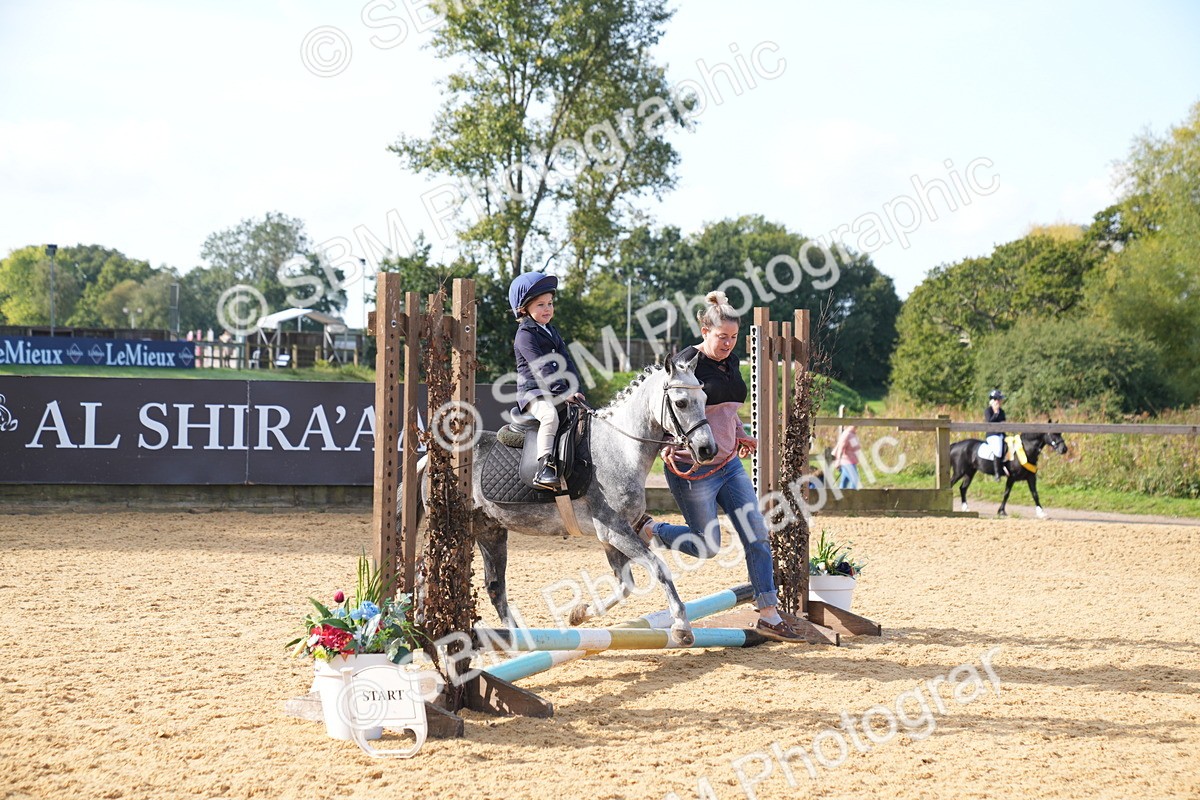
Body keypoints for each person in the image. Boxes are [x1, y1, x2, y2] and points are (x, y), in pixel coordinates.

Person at [636, 291, 806, 643]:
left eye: (733, 337)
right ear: (704, 331)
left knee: (757, 535)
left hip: (729, 466)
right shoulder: (686, 362)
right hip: (693, 470)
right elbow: (664, 405)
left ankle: (769, 614)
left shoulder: (731, 362)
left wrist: (740, 433)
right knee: (707, 546)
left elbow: (727, 408)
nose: (728, 343)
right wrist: (668, 443)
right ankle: (653, 529)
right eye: (721, 337)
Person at [509, 272, 585, 490]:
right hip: (533, 394)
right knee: (550, 416)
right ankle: (544, 467)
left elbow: (567, 362)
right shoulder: (525, 334)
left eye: (550, 303)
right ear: (524, 309)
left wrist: (576, 389)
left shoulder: (552, 331)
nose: (547, 309)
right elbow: (541, 366)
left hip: (556, 392)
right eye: (540, 304)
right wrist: (563, 391)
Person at [984, 389, 1007, 481]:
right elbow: (990, 421)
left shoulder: (1002, 411)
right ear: (994, 400)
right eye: (998, 399)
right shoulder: (988, 411)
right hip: (992, 435)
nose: (1000, 401)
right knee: (997, 449)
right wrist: (996, 413)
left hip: (1001, 434)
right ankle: (997, 473)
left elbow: (1003, 422)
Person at [831, 424, 862, 489]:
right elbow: (840, 448)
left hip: (851, 462)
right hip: (846, 462)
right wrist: (838, 461)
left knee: (844, 483)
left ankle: (841, 498)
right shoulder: (847, 434)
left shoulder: (853, 434)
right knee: (855, 480)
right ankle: (851, 497)